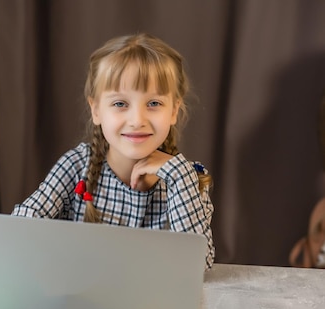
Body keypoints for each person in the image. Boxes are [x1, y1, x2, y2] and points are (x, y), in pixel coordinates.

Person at [12, 33, 215, 269]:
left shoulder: (189, 178)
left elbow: (199, 265)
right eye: (120, 104)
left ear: (173, 110)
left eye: (154, 104)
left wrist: (179, 176)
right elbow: (21, 227)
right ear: (96, 110)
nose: (137, 120)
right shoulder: (77, 165)